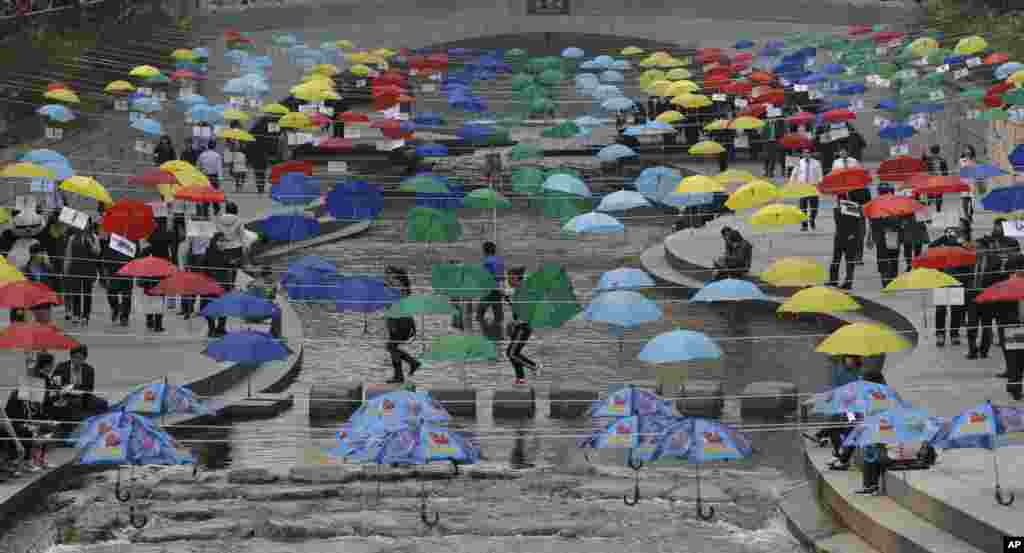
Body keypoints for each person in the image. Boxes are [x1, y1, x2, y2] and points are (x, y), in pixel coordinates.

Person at [966, 218, 1020, 359]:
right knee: (972, 323)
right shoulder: (971, 260)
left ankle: (987, 351)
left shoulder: (1008, 248)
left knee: (991, 325)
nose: (978, 250)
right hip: (974, 295)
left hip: (995, 295)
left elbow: (1013, 264)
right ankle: (973, 350)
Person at [47, 345, 108, 440]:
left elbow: (90, 388)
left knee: (103, 403)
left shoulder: (89, 369)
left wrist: (81, 392)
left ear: (84, 359)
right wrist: (65, 389)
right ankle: (70, 433)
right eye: (75, 358)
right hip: (65, 395)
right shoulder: (61, 367)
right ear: (71, 357)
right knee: (73, 404)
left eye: (81, 358)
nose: (78, 361)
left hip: (83, 396)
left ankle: (99, 432)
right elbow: (54, 384)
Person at [929, 226, 971, 347]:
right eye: (949, 235)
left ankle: (954, 334)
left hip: (957, 281)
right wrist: (944, 237)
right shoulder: (941, 250)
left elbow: (970, 251)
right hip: (942, 282)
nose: (952, 237)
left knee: (956, 310)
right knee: (941, 310)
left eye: (954, 235)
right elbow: (931, 246)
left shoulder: (962, 248)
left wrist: (960, 241)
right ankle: (940, 334)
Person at [384, 266, 420, 384]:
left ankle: (410, 365)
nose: (387, 277)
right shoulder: (393, 287)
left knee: (391, 347)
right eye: (386, 274)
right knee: (392, 347)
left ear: (397, 277)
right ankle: (400, 374)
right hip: (396, 321)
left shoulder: (400, 288)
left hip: (401, 322)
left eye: (390, 275)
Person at [505, 267, 539, 385]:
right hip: (519, 326)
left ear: (515, 278)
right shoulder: (519, 290)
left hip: (523, 327)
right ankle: (520, 379)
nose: (508, 281)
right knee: (514, 352)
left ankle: (534, 366)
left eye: (509, 278)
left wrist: (514, 323)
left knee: (511, 353)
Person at [199, 232, 237, 338]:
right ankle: (211, 329)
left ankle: (221, 328)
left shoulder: (226, 254)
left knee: (224, 308)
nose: (222, 243)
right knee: (209, 307)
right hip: (210, 286)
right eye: (220, 241)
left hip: (224, 285)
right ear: (214, 242)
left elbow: (230, 268)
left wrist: (232, 264)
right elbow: (202, 268)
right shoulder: (208, 253)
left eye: (224, 241)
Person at [63, 222, 101, 326]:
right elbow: (68, 254)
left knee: (87, 293)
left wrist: (90, 243)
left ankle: (86, 315)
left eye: (86, 224)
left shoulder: (94, 237)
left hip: (89, 269)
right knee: (76, 292)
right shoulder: (73, 238)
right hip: (75, 269)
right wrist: (66, 268)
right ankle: (76, 314)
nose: (84, 226)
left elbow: (97, 252)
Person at [1000, 254, 1024, 400]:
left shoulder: (1005, 285)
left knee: (1014, 358)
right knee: (1017, 358)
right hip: (1015, 326)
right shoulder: (1007, 284)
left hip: (1012, 326)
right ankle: (1014, 385)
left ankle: (1014, 385)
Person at [99, 231, 135, 327]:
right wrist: (105, 267)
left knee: (127, 294)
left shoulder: (131, 236)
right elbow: (105, 250)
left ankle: (124, 317)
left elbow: (136, 251)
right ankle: (115, 308)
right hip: (113, 268)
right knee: (111, 292)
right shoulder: (111, 236)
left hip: (127, 268)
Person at [866, 216, 902, 288]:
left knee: (892, 258)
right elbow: (872, 223)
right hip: (883, 236)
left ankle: (891, 280)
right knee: (884, 259)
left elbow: (899, 222)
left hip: (891, 235)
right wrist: (869, 237)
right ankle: (886, 281)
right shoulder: (876, 209)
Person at [791, 149, 822, 231]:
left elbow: (820, 175)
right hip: (802, 187)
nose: (806, 154)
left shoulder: (816, 163)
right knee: (802, 207)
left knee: (814, 207)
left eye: (808, 153)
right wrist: (792, 183)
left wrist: (819, 183)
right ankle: (804, 225)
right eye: (805, 153)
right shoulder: (799, 163)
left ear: (811, 154)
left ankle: (812, 220)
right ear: (803, 154)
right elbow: (794, 174)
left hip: (813, 187)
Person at [245, 266, 281, 338]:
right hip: (260, 314)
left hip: (247, 315)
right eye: (271, 274)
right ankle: (274, 333)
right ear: (268, 275)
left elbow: (247, 289)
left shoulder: (252, 283)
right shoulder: (271, 285)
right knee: (278, 310)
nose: (272, 276)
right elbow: (271, 298)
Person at [476, 241, 505, 327]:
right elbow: (501, 275)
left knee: (480, 312)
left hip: (489, 289)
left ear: (485, 251)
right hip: (498, 288)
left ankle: (484, 330)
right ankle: (497, 330)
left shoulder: (487, 262)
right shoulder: (499, 260)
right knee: (498, 312)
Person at [197, 141, 223, 217]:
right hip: (214, 176)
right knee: (214, 193)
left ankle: (205, 210)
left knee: (205, 194)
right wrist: (220, 179)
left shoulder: (202, 155)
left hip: (204, 176)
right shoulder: (217, 155)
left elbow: (198, 166)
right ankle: (216, 209)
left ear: (208, 146)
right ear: (214, 146)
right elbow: (219, 168)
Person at [922, 144, 950, 212]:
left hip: (935, 179)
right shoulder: (940, 159)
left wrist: (923, 152)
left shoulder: (933, 159)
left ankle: (935, 206)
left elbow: (923, 159)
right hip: (935, 179)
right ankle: (936, 206)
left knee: (936, 193)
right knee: (935, 193)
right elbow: (945, 171)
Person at [958, 145, 980, 224]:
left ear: (971, 151)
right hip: (964, 181)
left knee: (972, 201)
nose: (967, 152)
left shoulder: (974, 160)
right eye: (966, 150)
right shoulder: (961, 160)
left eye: (969, 150)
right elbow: (960, 170)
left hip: (972, 181)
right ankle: (966, 216)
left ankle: (970, 215)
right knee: (964, 199)